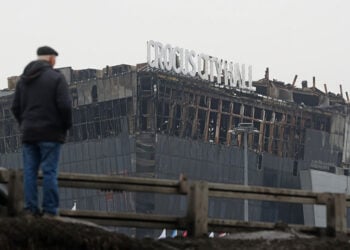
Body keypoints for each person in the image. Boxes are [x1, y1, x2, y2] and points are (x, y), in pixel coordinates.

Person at [11, 46, 72, 217]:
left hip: (29, 134)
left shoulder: (24, 79)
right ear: (51, 59)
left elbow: (15, 107)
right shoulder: (56, 78)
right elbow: (65, 106)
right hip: (51, 134)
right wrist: (65, 126)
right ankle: (50, 211)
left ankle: (30, 209)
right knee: (49, 172)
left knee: (30, 172)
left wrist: (25, 124)